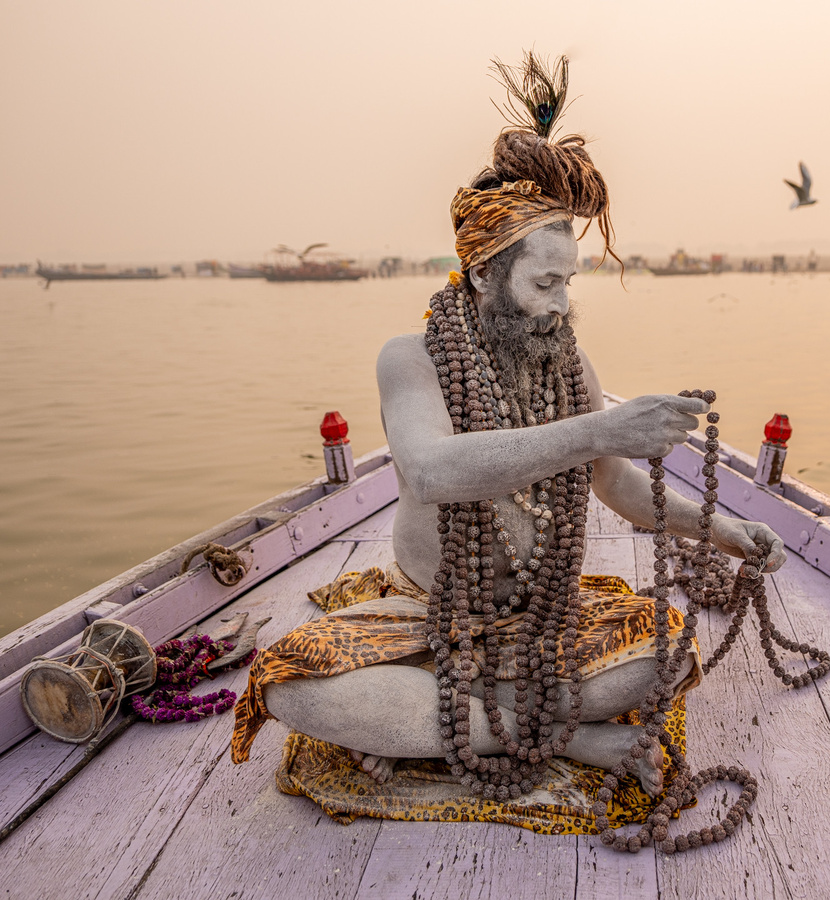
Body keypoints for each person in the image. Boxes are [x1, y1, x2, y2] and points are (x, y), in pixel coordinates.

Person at [231, 54, 785, 803]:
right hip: (429, 616)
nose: (561, 305)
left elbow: (616, 484)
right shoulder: (412, 359)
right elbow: (429, 469)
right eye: (543, 283)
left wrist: (723, 529)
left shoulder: (567, 361)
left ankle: (442, 728)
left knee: (667, 656)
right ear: (484, 275)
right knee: (292, 687)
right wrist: (599, 431)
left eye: (568, 283)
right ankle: (577, 738)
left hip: (541, 621)